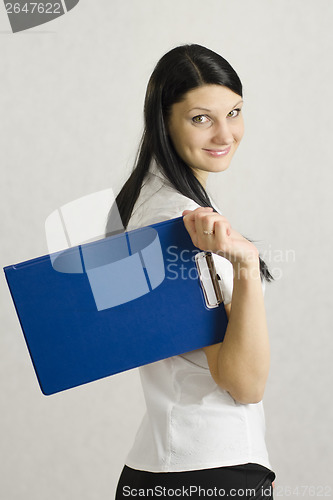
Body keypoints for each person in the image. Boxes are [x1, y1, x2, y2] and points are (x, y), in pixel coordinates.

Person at [107, 44, 276, 499]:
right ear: (164, 121)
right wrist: (243, 264)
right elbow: (243, 382)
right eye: (201, 118)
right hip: (211, 470)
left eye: (235, 112)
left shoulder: (136, 205)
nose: (226, 133)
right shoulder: (179, 222)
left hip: (156, 466)